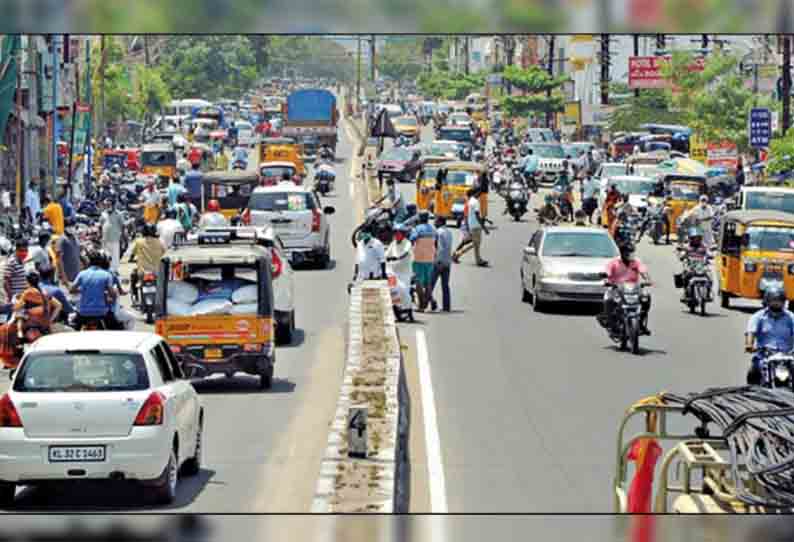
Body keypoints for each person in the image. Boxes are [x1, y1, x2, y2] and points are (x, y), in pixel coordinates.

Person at [599, 241, 653, 336]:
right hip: (616, 288)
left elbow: (643, 271)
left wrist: (648, 280)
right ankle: (611, 324)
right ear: (622, 252)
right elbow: (607, 272)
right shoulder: (614, 262)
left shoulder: (636, 261)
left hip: (633, 289)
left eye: (631, 252)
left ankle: (641, 323)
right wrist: (606, 279)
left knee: (646, 297)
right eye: (628, 252)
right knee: (609, 300)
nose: (630, 254)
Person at [745, 285, 794, 385]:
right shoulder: (758, 316)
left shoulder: (791, 316)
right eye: (773, 300)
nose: (776, 303)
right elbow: (751, 331)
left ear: (784, 301)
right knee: (753, 372)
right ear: (767, 301)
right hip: (764, 355)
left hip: (786, 355)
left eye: (779, 300)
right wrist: (749, 345)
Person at [70, 250, 121, 330]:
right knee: (116, 329)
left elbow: (72, 290)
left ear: (89, 262)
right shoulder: (106, 275)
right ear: (101, 261)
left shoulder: (82, 274)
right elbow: (112, 294)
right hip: (102, 312)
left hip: (83, 312)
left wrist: (83, 290)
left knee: (74, 330)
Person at [128, 224, 166, 306]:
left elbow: (133, 253)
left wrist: (131, 259)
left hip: (142, 272)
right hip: (155, 271)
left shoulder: (139, 241)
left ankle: (136, 297)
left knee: (133, 276)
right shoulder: (159, 242)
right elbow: (163, 252)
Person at [410, 211, 437, 312]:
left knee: (418, 283)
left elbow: (412, 239)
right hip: (430, 259)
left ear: (420, 218)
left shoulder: (417, 229)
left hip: (419, 259)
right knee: (428, 283)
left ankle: (421, 305)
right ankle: (429, 302)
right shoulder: (433, 229)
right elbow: (436, 243)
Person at [456, 188, 489, 267]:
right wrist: (484, 227)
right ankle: (457, 254)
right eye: (479, 193)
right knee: (475, 244)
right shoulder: (475, 202)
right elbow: (477, 216)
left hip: (472, 225)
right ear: (476, 193)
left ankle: (478, 259)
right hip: (476, 226)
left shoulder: (470, 201)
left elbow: (469, 215)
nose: (480, 195)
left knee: (475, 244)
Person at [386, 225, 414, 310]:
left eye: (399, 234)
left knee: (404, 290)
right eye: (395, 233)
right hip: (393, 272)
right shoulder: (393, 243)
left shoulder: (407, 243)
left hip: (404, 273)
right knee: (392, 289)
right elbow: (387, 254)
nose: (396, 235)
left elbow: (405, 252)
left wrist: (398, 257)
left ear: (403, 234)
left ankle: (408, 308)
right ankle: (396, 306)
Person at [429, 215, 453, 312]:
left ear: (440, 222)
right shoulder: (449, 232)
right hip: (447, 261)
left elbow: (438, 247)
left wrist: (435, 259)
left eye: (436, 221)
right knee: (445, 285)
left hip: (439, 261)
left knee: (430, 284)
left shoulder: (437, 232)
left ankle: (425, 304)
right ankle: (446, 306)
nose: (434, 222)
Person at [54, 218, 81, 287]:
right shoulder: (62, 239)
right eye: (70, 226)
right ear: (65, 227)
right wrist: (64, 278)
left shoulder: (75, 238)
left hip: (76, 275)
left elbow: (77, 255)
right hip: (67, 278)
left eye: (73, 226)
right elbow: (58, 260)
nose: (72, 228)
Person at [99, 197, 125, 272]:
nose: (107, 206)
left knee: (115, 257)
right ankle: (106, 270)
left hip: (115, 239)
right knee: (106, 255)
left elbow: (122, 226)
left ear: (113, 205)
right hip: (105, 239)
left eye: (109, 205)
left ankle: (115, 271)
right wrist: (100, 236)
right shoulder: (103, 214)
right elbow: (100, 225)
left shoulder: (118, 214)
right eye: (106, 205)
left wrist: (123, 237)